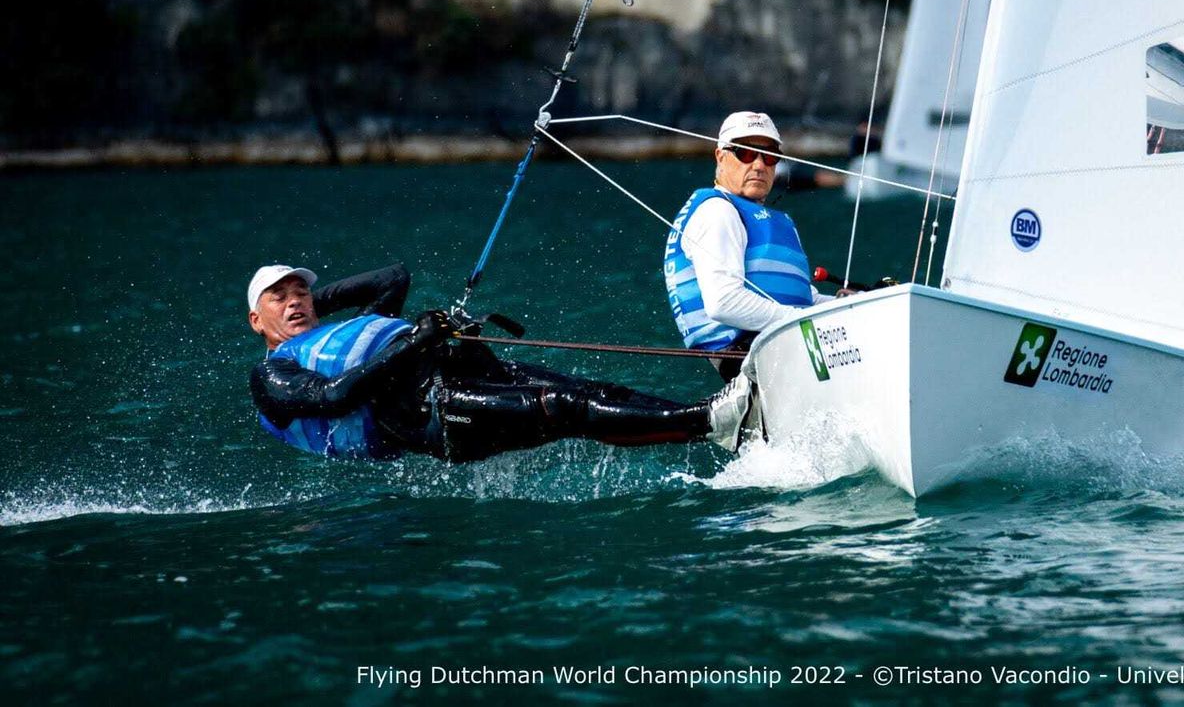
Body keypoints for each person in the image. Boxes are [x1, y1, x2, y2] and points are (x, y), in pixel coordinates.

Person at [247, 262, 749, 462]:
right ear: (255, 320)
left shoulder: (335, 330)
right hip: (428, 416)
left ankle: (716, 418)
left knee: (590, 392)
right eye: (279, 299)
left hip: (456, 372)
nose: (295, 302)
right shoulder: (271, 375)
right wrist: (416, 343)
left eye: (301, 293)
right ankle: (708, 422)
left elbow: (392, 278)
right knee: (562, 407)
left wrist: (312, 301)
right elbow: (335, 397)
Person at [663, 111, 839, 381]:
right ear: (721, 157)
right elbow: (724, 303)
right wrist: (804, 321)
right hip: (751, 360)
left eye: (769, 157)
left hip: (786, 345)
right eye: (745, 153)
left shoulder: (769, 219)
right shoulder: (718, 213)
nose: (759, 165)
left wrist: (856, 304)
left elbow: (804, 298)